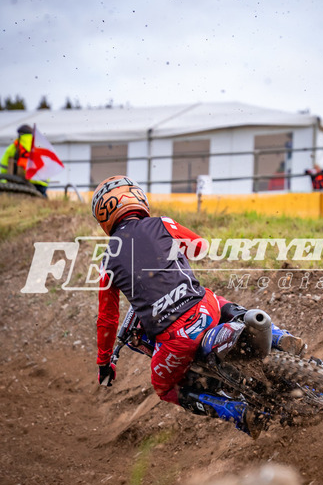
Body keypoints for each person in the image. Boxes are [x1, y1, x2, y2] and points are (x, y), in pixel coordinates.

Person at [92, 175, 305, 436]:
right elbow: (199, 247)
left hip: (175, 342)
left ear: (104, 216)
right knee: (220, 303)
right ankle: (279, 336)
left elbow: (107, 319)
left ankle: (236, 411)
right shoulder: (162, 224)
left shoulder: (107, 261)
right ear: (137, 197)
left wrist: (105, 362)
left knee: (164, 388)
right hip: (206, 309)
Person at [0, 124, 48, 196]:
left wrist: (4, 180)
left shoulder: (13, 148)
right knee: (42, 198)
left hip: (18, 182)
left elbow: (4, 166)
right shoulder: (40, 146)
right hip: (40, 183)